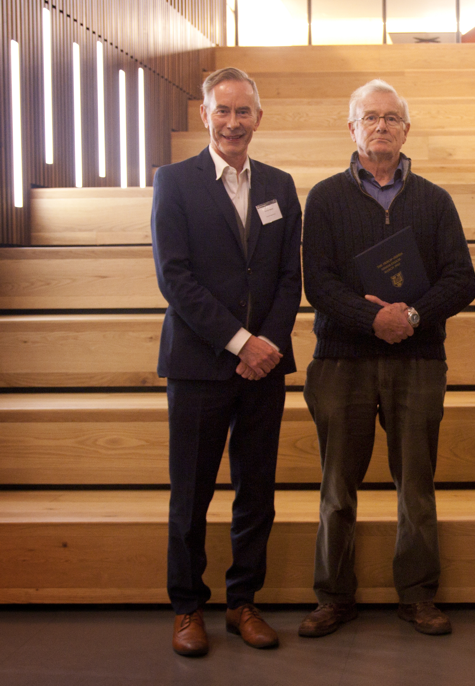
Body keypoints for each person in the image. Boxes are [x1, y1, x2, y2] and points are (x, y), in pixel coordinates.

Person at [298, 79, 475, 638]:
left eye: (391, 118)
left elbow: (461, 281)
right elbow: (318, 282)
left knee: (415, 486)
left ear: (406, 129)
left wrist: (412, 318)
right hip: (341, 360)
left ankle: (419, 596)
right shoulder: (325, 198)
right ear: (351, 128)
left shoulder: (434, 199)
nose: (381, 126)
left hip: (418, 360)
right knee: (336, 487)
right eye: (369, 117)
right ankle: (333, 596)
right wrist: (372, 318)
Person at [151, 67, 302, 656]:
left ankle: (243, 601)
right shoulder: (175, 181)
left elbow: (290, 277)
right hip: (199, 365)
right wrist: (242, 343)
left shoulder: (280, 186)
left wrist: (267, 344)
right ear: (206, 115)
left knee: (255, 491)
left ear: (258, 118)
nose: (233, 122)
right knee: (190, 495)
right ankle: (188, 608)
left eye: (244, 112)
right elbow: (176, 279)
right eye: (223, 111)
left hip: (265, 368)